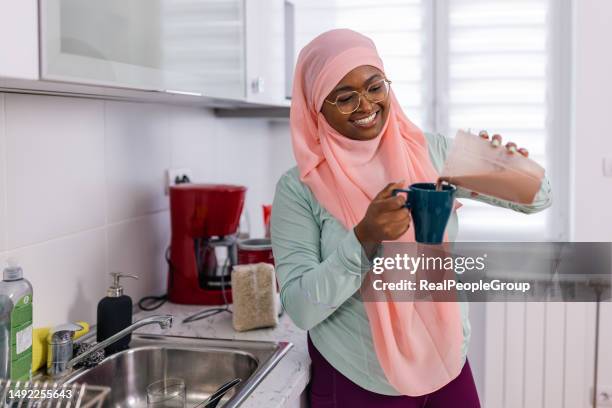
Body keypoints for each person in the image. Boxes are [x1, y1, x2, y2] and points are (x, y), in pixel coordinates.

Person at [271, 29, 552, 408]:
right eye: (344, 97)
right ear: (316, 107)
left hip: (446, 360)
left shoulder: (430, 152)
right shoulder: (298, 188)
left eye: (374, 87)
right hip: (360, 376)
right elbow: (300, 308)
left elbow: (540, 198)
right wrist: (364, 239)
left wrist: (512, 167)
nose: (365, 104)